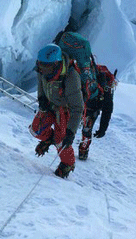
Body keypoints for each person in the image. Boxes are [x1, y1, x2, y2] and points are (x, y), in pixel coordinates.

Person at [29, 44, 84, 179]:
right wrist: (42, 99)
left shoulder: (71, 76)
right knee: (35, 129)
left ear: (56, 63)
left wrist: (71, 131)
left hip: (66, 111)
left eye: (45, 66)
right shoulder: (44, 70)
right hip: (50, 105)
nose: (42, 70)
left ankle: (67, 163)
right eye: (41, 66)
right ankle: (49, 139)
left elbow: (78, 107)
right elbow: (41, 83)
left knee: (63, 140)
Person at [78, 65, 115, 160]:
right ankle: (83, 151)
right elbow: (107, 110)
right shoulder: (107, 89)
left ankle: (64, 143)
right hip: (92, 107)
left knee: (69, 123)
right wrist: (102, 129)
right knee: (87, 130)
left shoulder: (84, 75)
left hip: (79, 102)